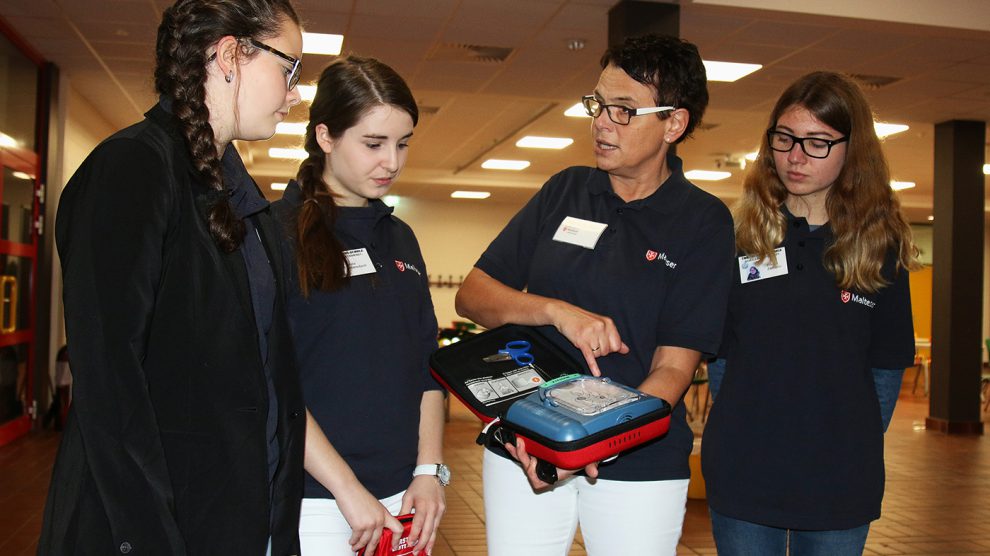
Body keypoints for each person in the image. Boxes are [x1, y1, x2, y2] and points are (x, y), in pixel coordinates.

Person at [39, 1, 307, 554]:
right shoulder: (132, 169)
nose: (294, 94)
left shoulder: (238, 197)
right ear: (231, 54)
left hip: (236, 521)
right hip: (158, 528)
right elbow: (112, 391)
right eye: (289, 70)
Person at [454, 34, 735, 556]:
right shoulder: (566, 189)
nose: (602, 122)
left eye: (624, 110)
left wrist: (592, 441)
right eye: (598, 105)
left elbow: (674, 369)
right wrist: (554, 311)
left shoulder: (702, 222)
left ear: (675, 123)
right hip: (526, 441)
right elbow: (472, 295)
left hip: (639, 459)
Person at [701, 71, 917, 555]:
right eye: (785, 138)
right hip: (744, 472)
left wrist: (838, 437)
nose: (795, 157)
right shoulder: (739, 239)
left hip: (840, 479)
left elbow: (884, 373)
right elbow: (723, 362)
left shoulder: (880, 246)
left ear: (852, 148)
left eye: (817, 142)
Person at [271, 55, 446, 556]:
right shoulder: (275, 237)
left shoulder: (401, 238)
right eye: (373, 144)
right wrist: (348, 490)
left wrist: (428, 471)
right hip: (319, 503)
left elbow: (426, 368)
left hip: (407, 492)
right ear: (325, 136)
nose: (391, 161)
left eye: (402, 144)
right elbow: (273, 385)